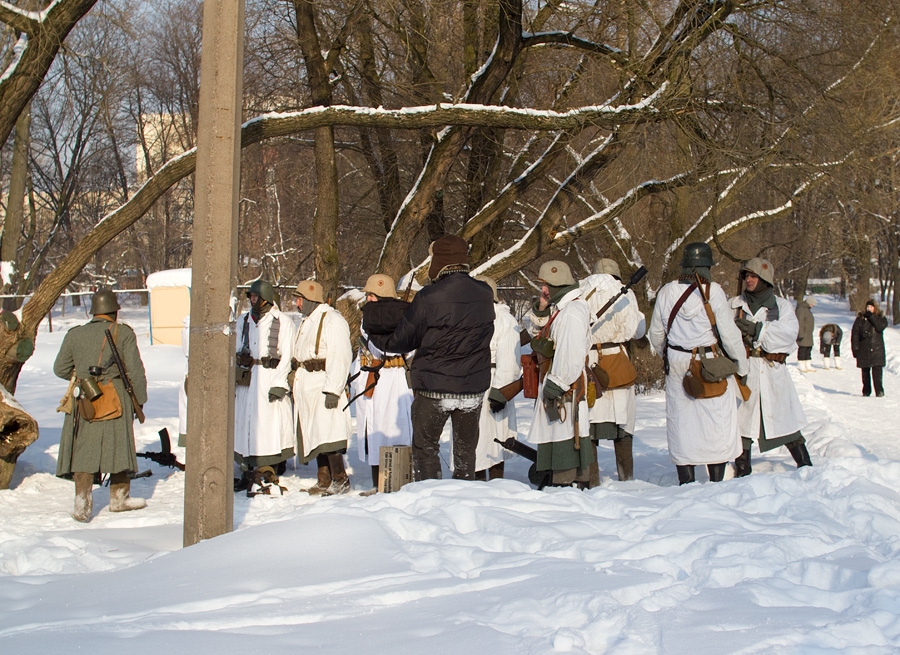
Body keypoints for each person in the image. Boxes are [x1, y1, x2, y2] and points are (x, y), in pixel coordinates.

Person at [368, 235, 494, 481]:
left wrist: (378, 336)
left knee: (426, 450)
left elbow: (403, 341)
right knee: (465, 454)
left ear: (441, 261)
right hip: (472, 387)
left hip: (435, 388)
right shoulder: (485, 293)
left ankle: (431, 502)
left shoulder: (429, 296)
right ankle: (466, 506)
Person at [648, 243, 748, 485]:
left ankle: (687, 482)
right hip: (708, 364)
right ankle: (715, 481)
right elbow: (729, 334)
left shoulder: (666, 292)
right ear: (706, 267)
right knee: (716, 423)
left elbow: (656, 334)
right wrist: (742, 367)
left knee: (682, 422)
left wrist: (670, 352)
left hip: (678, 364)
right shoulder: (713, 292)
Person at [55, 288, 148, 522]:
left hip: (85, 398)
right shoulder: (123, 333)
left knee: (83, 450)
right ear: (114, 312)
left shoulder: (74, 334)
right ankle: (119, 499)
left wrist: (82, 376)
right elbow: (135, 371)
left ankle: (81, 504)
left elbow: (60, 369)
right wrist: (139, 400)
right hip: (116, 396)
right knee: (119, 447)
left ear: (94, 311)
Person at [730, 258, 812, 476]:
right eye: (746, 276)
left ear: (765, 280)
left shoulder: (782, 306)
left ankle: (806, 467)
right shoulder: (734, 305)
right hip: (745, 371)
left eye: (754, 276)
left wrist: (759, 330)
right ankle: (742, 470)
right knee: (742, 423)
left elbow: (788, 335)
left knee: (784, 420)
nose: (748, 280)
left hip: (772, 370)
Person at [526, 260, 593, 487]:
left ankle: (567, 484)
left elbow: (571, 353)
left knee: (565, 433)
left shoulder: (572, 312)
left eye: (546, 285)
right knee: (556, 432)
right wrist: (542, 308)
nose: (543, 290)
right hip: (556, 378)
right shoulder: (561, 308)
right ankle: (562, 482)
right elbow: (541, 332)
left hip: (565, 385)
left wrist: (558, 383)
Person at [579, 258, 646, 484]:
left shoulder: (581, 291)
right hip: (616, 356)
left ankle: (592, 480)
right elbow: (635, 330)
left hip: (589, 359)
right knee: (623, 425)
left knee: (590, 425)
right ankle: (627, 479)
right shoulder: (624, 292)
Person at [352, 274, 414, 491]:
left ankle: (394, 483)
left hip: (393, 378)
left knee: (392, 430)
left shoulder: (397, 319)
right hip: (375, 378)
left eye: (370, 295)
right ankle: (378, 483)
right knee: (374, 430)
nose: (367, 299)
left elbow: (406, 348)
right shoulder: (369, 319)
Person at [233, 280, 296, 491]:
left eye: (255, 297)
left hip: (269, 376)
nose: (252, 300)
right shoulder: (243, 320)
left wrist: (280, 382)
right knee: (246, 422)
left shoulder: (282, 322)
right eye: (250, 296)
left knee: (268, 424)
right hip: (248, 378)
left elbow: (287, 354)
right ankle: (247, 468)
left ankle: (268, 465)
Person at [292, 279, 353, 494]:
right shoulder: (308, 321)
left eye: (299, 300)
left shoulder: (332, 320)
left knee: (329, 433)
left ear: (309, 299)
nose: (297, 304)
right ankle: (324, 479)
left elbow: (340, 356)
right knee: (316, 433)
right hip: (308, 383)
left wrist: (333, 389)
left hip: (323, 381)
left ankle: (340, 479)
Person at [472, 275, 521, 481]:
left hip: (493, 381)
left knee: (493, 439)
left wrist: (500, 392)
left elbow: (509, 360)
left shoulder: (504, 320)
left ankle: (496, 486)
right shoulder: (468, 315)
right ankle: (474, 484)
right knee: (473, 438)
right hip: (470, 381)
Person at [851, 299, 888, 397]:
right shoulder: (860, 319)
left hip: (877, 349)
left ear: (875, 308)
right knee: (865, 373)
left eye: (871, 307)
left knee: (877, 372)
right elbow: (855, 334)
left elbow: (880, 327)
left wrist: (871, 316)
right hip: (864, 349)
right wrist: (855, 349)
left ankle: (879, 391)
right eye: (867, 307)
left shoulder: (881, 318)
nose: (869, 309)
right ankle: (866, 391)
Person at [795, 296, 816, 372]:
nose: (813, 305)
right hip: (803, 333)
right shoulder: (801, 310)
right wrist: (800, 334)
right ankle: (801, 365)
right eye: (812, 304)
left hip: (808, 333)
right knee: (803, 349)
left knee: (808, 349)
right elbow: (800, 322)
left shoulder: (807, 310)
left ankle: (808, 364)